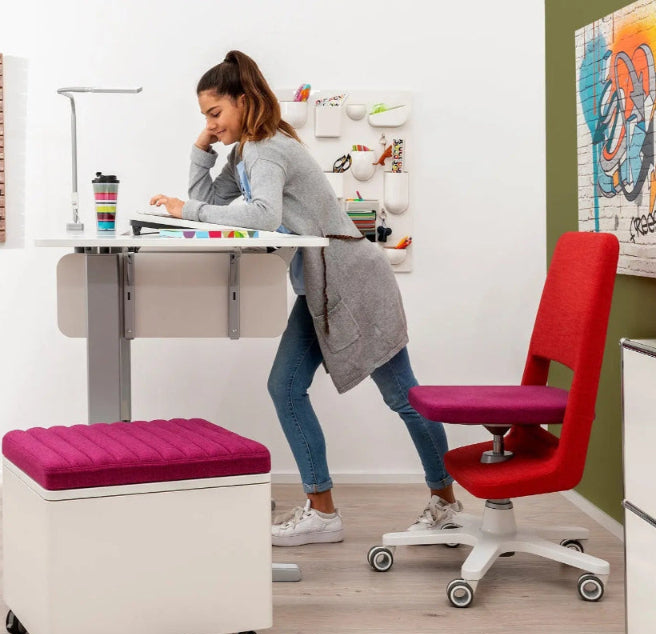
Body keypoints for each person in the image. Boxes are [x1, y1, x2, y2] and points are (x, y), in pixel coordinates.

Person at [150, 50, 462, 547]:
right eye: (204, 116)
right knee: (286, 386)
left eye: (215, 113)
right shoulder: (245, 152)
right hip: (322, 285)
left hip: (353, 281)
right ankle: (323, 511)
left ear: (244, 101)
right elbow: (202, 204)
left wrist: (188, 205)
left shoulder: (267, 149)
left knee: (402, 394)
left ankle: (446, 504)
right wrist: (201, 148)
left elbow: (259, 215)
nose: (211, 124)